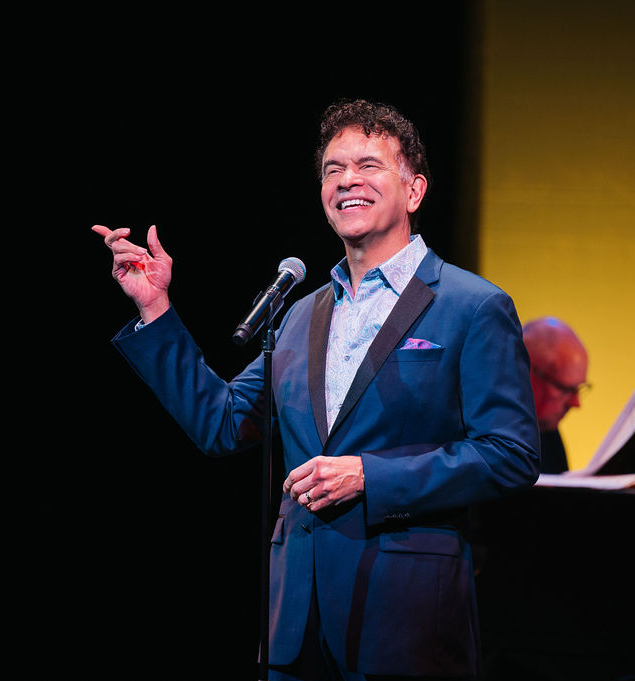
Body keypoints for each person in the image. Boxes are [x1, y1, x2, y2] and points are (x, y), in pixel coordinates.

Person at [93, 98, 540, 680]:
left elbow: (511, 454)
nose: (348, 180)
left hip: (404, 616)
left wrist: (369, 476)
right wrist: (156, 309)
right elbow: (222, 423)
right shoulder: (301, 314)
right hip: (295, 620)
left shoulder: (472, 306)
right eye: (334, 170)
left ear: (415, 190)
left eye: (369, 165)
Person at [521, 317, 590, 474]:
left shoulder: (548, 434)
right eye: (566, 389)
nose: (576, 403)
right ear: (526, 372)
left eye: (579, 389)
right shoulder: (475, 434)